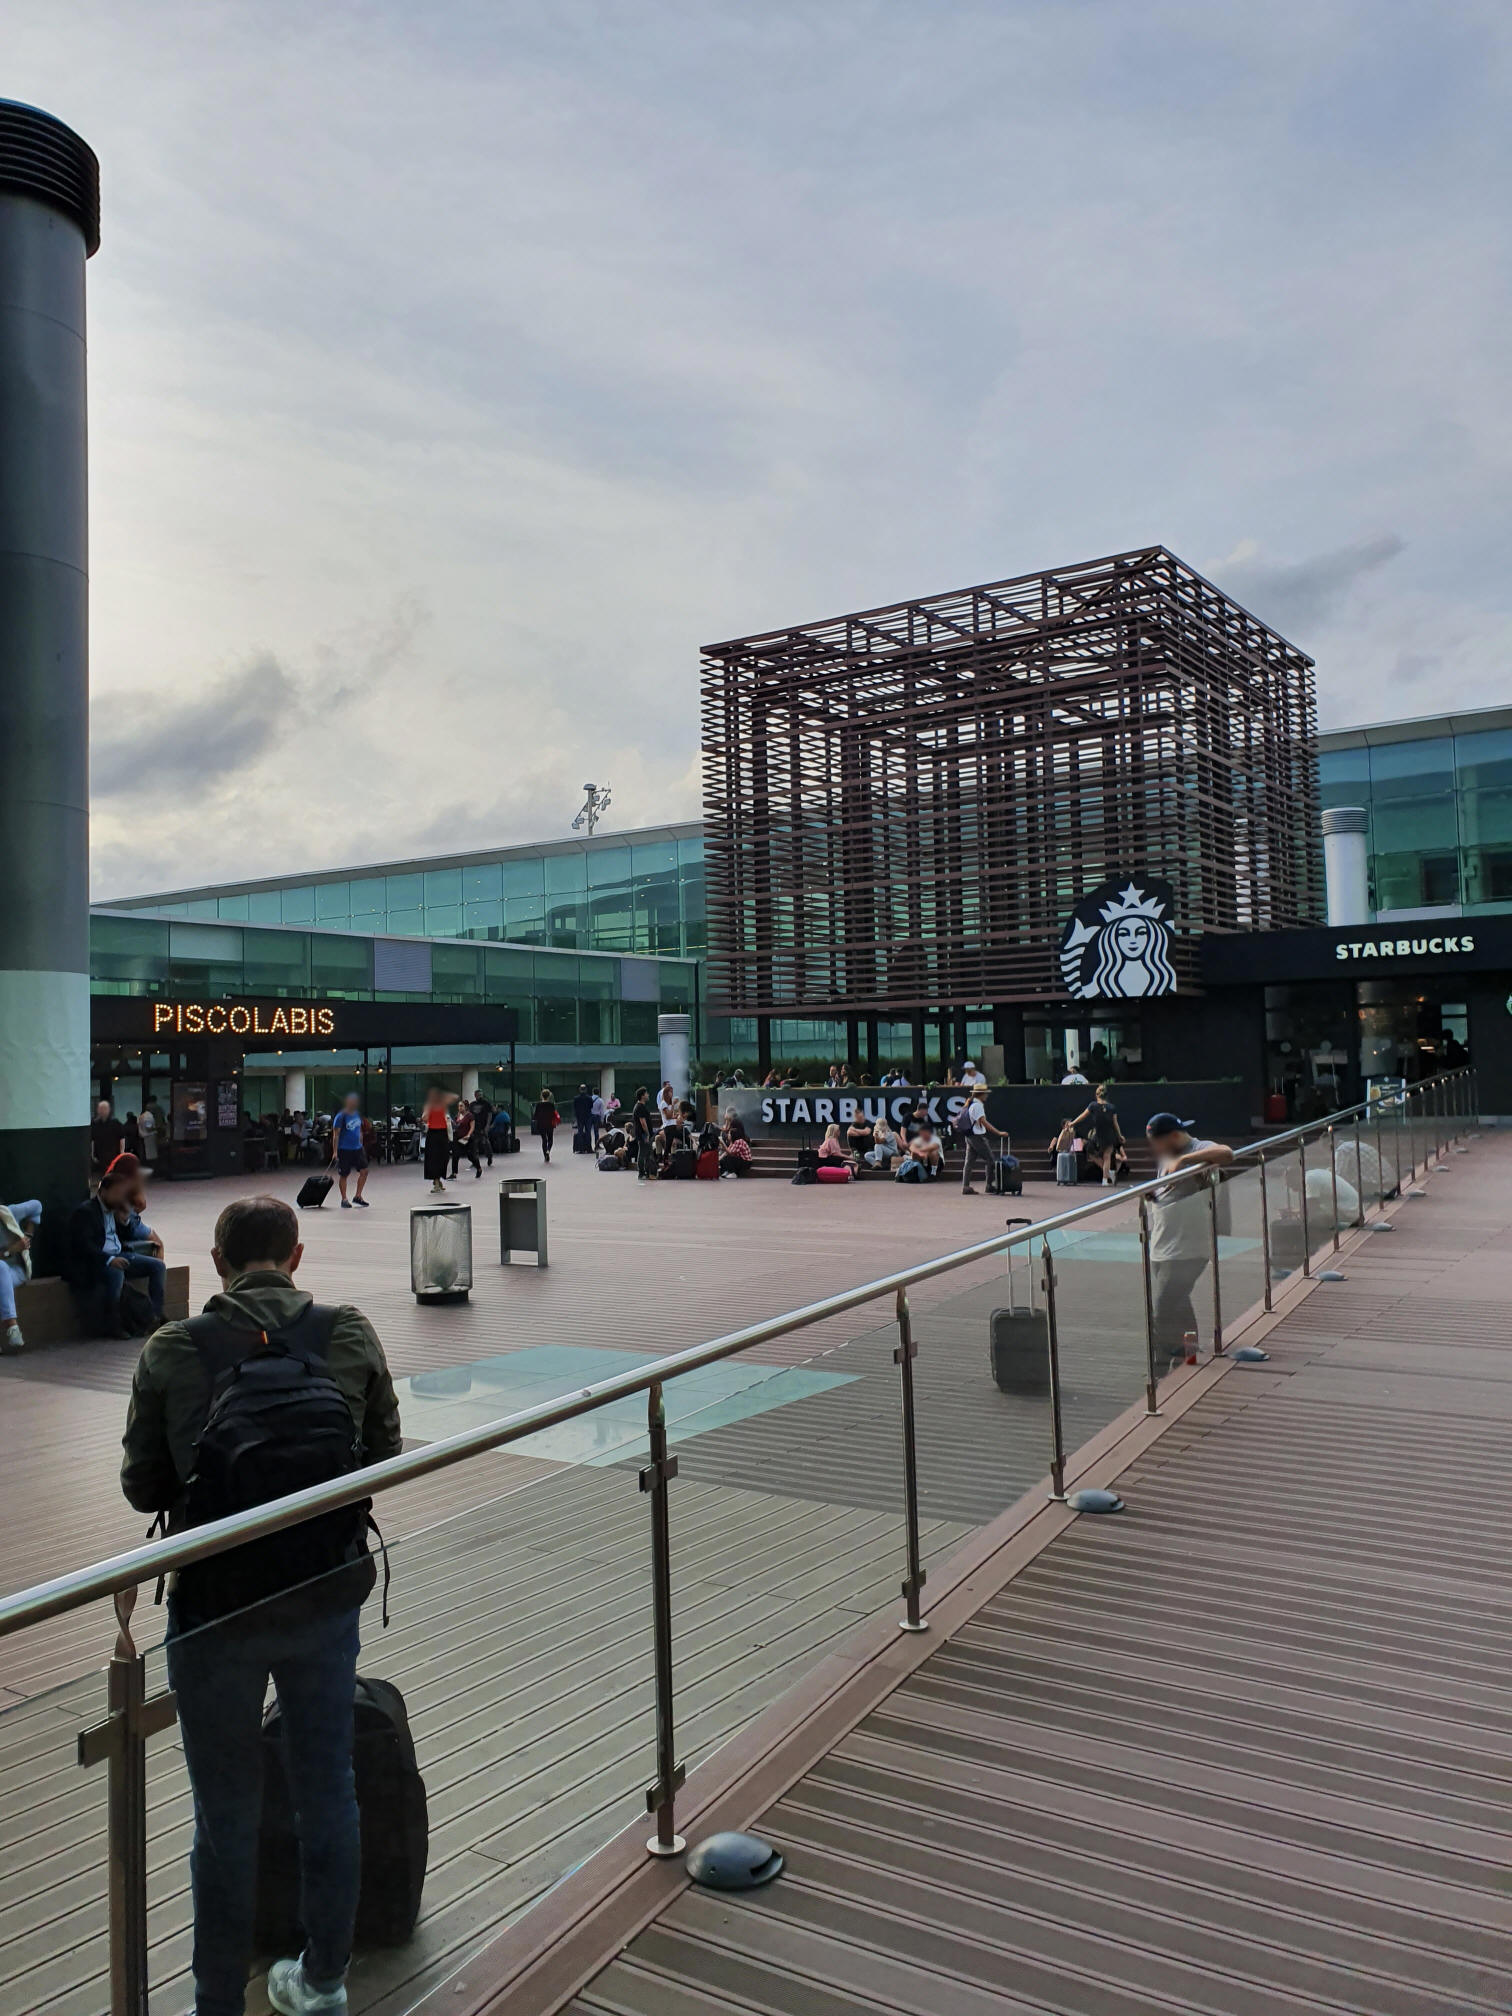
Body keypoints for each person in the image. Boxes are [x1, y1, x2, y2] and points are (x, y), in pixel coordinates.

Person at [120, 1193, 402, 2016]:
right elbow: (379, 1456)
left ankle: (216, 2001)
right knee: (328, 1788)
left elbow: (143, 1486)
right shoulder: (346, 1332)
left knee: (225, 1812)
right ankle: (324, 1979)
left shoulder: (175, 1347)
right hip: (323, 1591)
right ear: (298, 1257)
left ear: (217, 1263)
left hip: (216, 1605)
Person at [1145, 1114, 1234, 1367]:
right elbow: (1168, 1189)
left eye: (1157, 1142)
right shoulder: (1165, 1156)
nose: (1155, 1149)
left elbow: (1227, 1154)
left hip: (1188, 1248)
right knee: (1179, 1302)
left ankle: (1160, 1365)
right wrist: (1154, 1194)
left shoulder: (1198, 1149)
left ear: (1173, 1136)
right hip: (1162, 1245)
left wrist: (1185, 1159)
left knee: (1164, 1306)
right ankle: (1190, 1354)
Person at [67, 1160, 167, 1336]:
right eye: (117, 1193)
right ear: (103, 1191)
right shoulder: (87, 1212)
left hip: (121, 1254)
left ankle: (156, 1316)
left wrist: (126, 1219)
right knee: (117, 1273)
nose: (121, 1197)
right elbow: (85, 1245)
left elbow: (128, 1234)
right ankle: (114, 1324)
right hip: (100, 1260)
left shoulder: (115, 1209)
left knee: (157, 1266)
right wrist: (110, 1259)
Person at [0, 1199, 40, 1354]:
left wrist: (28, 1234)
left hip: (15, 1271)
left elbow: (37, 1206)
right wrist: (12, 1249)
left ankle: (11, 1326)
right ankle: (12, 1327)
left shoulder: (9, 1212)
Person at [957, 1087, 1010, 1194]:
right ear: (981, 1094)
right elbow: (983, 1122)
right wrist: (998, 1133)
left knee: (969, 1162)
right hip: (977, 1136)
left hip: (969, 1136)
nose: (987, 1095)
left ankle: (965, 1186)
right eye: (985, 1093)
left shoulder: (970, 1104)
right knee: (990, 1160)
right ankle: (989, 1186)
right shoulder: (978, 1106)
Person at [1074, 1084, 1125, 1186]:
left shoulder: (1093, 1105)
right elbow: (1115, 1123)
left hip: (1098, 1135)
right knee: (1107, 1157)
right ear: (1106, 1095)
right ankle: (1106, 1178)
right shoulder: (1111, 1107)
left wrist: (1072, 1123)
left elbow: (1082, 1116)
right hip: (1110, 1135)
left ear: (1097, 1095)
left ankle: (1107, 1175)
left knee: (1091, 1153)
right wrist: (1120, 1135)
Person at [328, 1093, 372, 1209]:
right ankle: (344, 1198)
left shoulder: (357, 1114)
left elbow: (359, 1130)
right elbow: (335, 1134)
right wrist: (335, 1152)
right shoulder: (341, 1116)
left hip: (357, 1148)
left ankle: (358, 1195)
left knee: (364, 1171)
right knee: (344, 1174)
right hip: (344, 1149)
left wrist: (361, 1143)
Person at [421, 1087, 453, 1194]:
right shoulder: (429, 1106)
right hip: (433, 1133)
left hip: (443, 1133)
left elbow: (454, 1097)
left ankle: (438, 1179)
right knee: (433, 1158)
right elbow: (424, 1118)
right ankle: (436, 1181)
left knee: (444, 1157)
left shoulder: (443, 1105)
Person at [91, 1098, 124, 1176]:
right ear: (98, 1110)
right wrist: (92, 1153)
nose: (103, 1111)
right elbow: (93, 1139)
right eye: (101, 1109)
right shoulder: (95, 1124)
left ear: (109, 1110)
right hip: (100, 1153)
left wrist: (122, 1152)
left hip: (113, 1152)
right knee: (103, 1172)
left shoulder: (115, 1123)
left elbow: (122, 1138)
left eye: (105, 1108)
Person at [450, 1099, 482, 1180]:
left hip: (468, 1139)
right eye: (458, 1106)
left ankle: (479, 1168)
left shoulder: (470, 1116)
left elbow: (472, 1127)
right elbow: (455, 1126)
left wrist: (468, 1135)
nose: (459, 1108)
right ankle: (454, 1173)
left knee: (471, 1156)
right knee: (455, 1155)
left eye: (461, 1106)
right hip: (458, 1138)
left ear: (466, 1107)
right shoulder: (457, 1116)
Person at [630, 1085, 656, 1180]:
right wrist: (648, 1134)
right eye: (646, 1094)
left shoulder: (640, 1106)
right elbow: (643, 1122)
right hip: (643, 1134)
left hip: (643, 1133)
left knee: (648, 1153)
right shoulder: (640, 1107)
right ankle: (641, 1173)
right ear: (642, 1096)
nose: (648, 1095)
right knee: (642, 1153)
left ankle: (648, 1172)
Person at [719, 1110, 753, 1177]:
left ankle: (733, 1173)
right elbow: (727, 1152)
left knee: (729, 1158)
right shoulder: (734, 1142)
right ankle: (727, 1171)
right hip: (740, 1160)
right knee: (724, 1159)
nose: (729, 1133)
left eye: (730, 1133)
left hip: (746, 1162)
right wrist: (719, 1159)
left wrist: (722, 1144)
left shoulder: (739, 1141)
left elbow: (730, 1153)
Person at [532, 1088, 559, 1162]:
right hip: (550, 1123)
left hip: (541, 1124)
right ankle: (548, 1150)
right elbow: (554, 1114)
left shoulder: (538, 1105)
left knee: (544, 1139)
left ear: (541, 1096)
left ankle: (545, 1155)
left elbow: (535, 1116)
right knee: (550, 1139)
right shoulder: (551, 1105)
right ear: (549, 1096)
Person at [470, 1093, 495, 1167]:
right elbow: (470, 1116)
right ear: (475, 1095)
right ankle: (475, 1160)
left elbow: (490, 1115)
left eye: (480, 1095)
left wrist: (487, 1126)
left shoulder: (486, 1103)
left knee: (485, 1143)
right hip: (475, 1127)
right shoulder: (472, 1104)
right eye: (478, 1095)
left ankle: (489, 1156)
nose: (479, 1096)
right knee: (474, 1144)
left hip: (483, 1127)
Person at [573, 1085, 595, 1155]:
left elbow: (575, 1108)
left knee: (580, 1132)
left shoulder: (576, 1098)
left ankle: (581, 1149)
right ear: (586, 1090)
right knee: (588, 1132)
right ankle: (589, 1148)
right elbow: (591, 1106)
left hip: (580, 1117)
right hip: (588, 1117)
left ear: (579, 1089)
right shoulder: (589, 1098)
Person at [137, 1100, 160, 1168]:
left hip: (144, 1137)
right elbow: (149, 1128)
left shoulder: (142, 1116)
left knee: (146, 1155)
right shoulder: (149, 1117)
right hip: (149, 1137)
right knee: (151, 1155)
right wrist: (157, 1128)